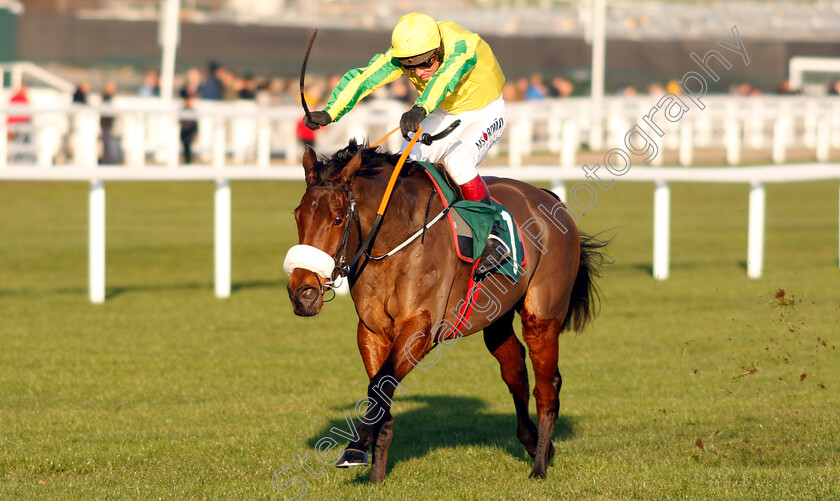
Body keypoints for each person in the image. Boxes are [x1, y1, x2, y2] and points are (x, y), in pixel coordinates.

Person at [304, 11, 509, 263]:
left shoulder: (462, 44)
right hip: (446, 111)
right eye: (410, 66)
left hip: (485, 112)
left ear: (439, 50)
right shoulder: (405, 54)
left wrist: (420, 108)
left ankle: (495, 233)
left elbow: (445, 78)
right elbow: (365, 78)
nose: (419, 72)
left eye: (426, 63)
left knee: (458, 163)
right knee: (405, 163)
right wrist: (329, 112)